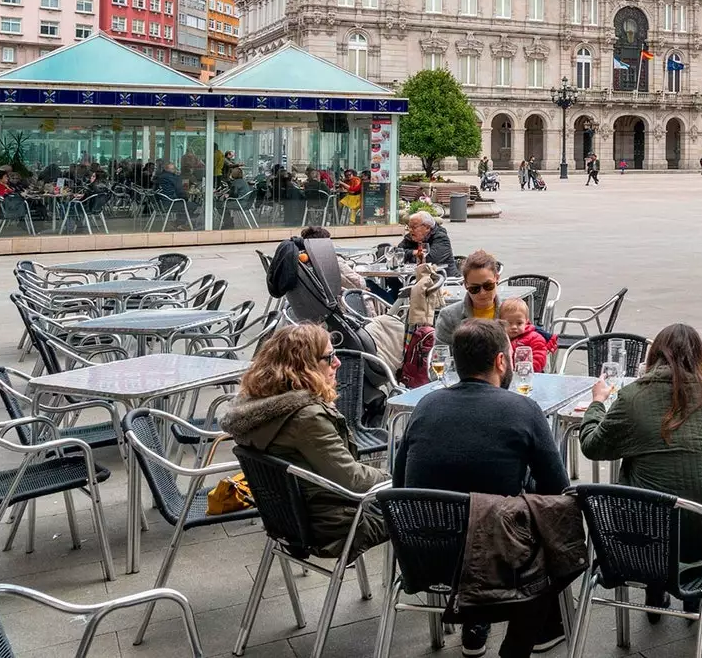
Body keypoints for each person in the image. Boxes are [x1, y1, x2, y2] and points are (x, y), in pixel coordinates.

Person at [394, 319, 569, 658]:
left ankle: (475, 623)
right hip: (495, 559)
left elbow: (400, 481)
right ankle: (538, 630)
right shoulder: (523, 408)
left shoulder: (426, 405)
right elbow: (558, 491)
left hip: (423, 552)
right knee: (553, 521)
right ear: (502, 362)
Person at [579, 323, 702, 612]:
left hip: (645, 535)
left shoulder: (632, 397)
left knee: (637, 473)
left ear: (653, 356)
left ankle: (655, 584)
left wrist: (597, 403)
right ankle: (692, 589)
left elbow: (591, 446)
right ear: (698, 357)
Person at [220, 324, 388, 560]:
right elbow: (352, 480)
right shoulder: (307, 418)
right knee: (428, 504)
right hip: (335, 525)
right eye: (329, 357)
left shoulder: (258, 409)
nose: (337, 363)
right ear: (303, 366)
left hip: (288, 521)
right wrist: (398, 479)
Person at [436, 249, 505, 345]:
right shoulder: (449, 317)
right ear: (465, 285)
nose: (482, 293)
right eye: (475, 288)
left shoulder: (513, 313)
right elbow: (441, 354)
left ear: (497, 278)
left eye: (488, 286)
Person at [500, 296, 556, 371]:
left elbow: (539, 358)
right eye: (509, 323)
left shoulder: (535, 338)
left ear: (526, 321)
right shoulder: (499, 338)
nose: (514, 327)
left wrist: (527, 370)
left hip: (528, 374)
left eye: (519, 323)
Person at [397, 211, 456, 276]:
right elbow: (397, 253)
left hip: (441, 279)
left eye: (414, 227)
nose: (410, 230)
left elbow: (429, 260)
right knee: (392, 281)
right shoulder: (410, 237)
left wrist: (407, 258)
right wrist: (413, 252)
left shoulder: (441, 238)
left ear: (427, 228)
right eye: (409, 227)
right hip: (416, 278)